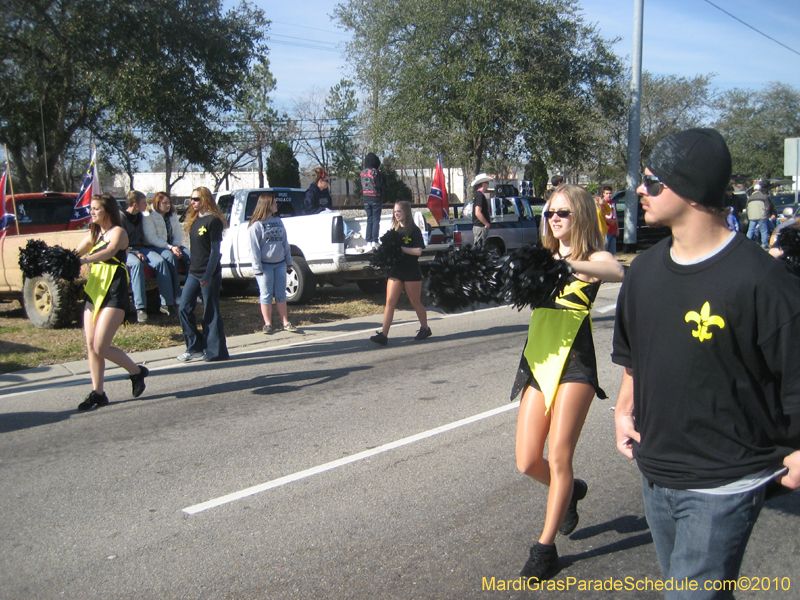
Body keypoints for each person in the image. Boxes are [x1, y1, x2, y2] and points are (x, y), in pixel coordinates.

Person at [613, 128, 800, 598]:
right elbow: (633, 353)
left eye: (654, 182)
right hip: (655, 471)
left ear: (693, 191)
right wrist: (622, 407)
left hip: (726, 478)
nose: (640, 189)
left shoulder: (761, 279)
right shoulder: (644, 272)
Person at [514, 185, 624, 580]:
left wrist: (571, 266)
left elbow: (616, 271)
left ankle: (545, 549)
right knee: (528, 460)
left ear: (578, 215)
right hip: (538, 359)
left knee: (559, 456)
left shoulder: (593, 256)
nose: (554, 219)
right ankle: (571, 491)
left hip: (575, 360)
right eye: (548, 214)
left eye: (561, 212)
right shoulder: (542, 256)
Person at [74, 194, 149, 410]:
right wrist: (62, 258)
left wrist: (84, 260)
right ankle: (98, 393)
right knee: (91, 345)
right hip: (94, 291)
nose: (92, 212)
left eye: (96, 208)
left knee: (101, 345)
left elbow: (108, 252)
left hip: (114, 292)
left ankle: (136, 372)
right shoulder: (94, 234)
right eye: (91, 209)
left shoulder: (119, 232)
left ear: (107, 210)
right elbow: (75, 252)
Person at [177, 187, 229, 362]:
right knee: (183, 307)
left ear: (205, 200)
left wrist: (208, 275)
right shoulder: (193, 220)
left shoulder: (213, 221)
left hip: (210, 273)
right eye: (191, 199)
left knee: (210, 311)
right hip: (194, 272)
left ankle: (216, 352)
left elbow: (215, 251)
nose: (193, 202)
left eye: (196, 199)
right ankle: (195, 347)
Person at [369, 201, 431, 345]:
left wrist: (400, 248)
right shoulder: (395, 231)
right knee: (390, 302)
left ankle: (425, 328)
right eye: (395, 211)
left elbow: (418, 251)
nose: (396, 214)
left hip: (411, 271)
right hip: (397, 271)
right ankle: (383, 335)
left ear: (406, 213)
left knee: (415, 302)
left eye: (399, 211)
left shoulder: (414, 230)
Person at [248, 192, 300, 334]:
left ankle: (285, 322)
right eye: (274, 203)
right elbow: (254, 249)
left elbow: (285, 243)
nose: (277, 205)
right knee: (266, 294)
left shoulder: (278, 221)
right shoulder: (256, 225)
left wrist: (289, 261)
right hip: (265, 266)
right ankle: (268, 324)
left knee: (281, 294)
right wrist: (257, 268)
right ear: (267, 205)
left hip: (280, 264)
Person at [120, 190, 174, 323]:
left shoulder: (140, 216)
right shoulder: (121, 218)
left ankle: (167, 304)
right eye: (144, 202)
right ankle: (140, 308)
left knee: (160, 262)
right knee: (136, 265)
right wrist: (133, 252)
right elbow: (120, 241)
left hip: (141, 248)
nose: (146, 205)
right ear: (135, 204)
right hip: (126, 251)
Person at [141, 191, 187, 317]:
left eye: (169, 203)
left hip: (172, 245)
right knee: (170, 257)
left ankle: (194, 293)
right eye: (164, 203)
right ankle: (174, 298)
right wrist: (171, 247)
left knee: (189, 256)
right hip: (157, 247)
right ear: (157, 203)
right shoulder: (148, 216)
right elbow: (152, 239)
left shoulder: (172, 216)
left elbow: (178, 233)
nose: (168, 205)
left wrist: (176, 246)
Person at [360, 153, 383, 250]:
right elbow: (379, 185)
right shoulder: (376, 172)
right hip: (376, 198)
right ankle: (375, 240)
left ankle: (368, 240)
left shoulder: (362, 173)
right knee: (376, 220)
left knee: (369, 219)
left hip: (366, 198)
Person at [745, 180, 773, 249]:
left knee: (750, 230)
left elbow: (747, 207)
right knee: (763, 230)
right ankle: (764, 244)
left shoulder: (750, 198)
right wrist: (767, 214)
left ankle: (746, 243)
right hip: (761, 216)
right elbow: (768, 206)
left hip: (752, 216)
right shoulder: (764, 196)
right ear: (760, 189)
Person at [471, 173, 492, 246]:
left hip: (479, 226)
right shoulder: (479, 195)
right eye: (487, 183)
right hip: (480, 227)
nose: (488, 185)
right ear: (483, 184)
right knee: (479, 248)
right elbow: (478, 212)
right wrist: (486, 223)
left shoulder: (478, 195)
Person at [600, 186, 618, 254]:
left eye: (610, 193)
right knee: (605, 250)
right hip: (605, 230)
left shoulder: (613, 202)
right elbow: (600, 217)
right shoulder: (602, 204)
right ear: (603, 194)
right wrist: (608, 221)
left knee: (612, 252)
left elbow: (615, 216)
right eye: (607, 193)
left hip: (613, 230)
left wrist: (617, 228)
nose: (609, 195)